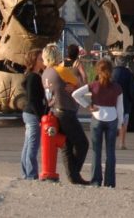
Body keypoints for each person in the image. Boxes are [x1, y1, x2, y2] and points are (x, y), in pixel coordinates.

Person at [41, 43, 89, 185]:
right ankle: (74, 173)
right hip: (66, 111)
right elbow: (81, 84)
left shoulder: (45, 73)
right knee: (82, 144)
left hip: (54, 110)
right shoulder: (61, 70)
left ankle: (74, 176)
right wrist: (75, 86)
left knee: (67, 145)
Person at [72, 58, 123, 187]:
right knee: (110, 152)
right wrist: (119, 125)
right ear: (111, 71)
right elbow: (120, 109)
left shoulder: (93, 85)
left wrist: (88, 105)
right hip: (112, 118)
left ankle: (96, 180)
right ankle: (110, 182)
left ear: (97, 71)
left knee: (96, 151)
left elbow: (75, 94)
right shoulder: (117, 88)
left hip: (97, 117)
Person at [21, 48, 46, 179]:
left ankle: (26, 172)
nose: (43, 61)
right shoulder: (33, 77)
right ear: (34, 61)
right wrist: (40, 116)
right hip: (32, 114)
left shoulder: (33, 76)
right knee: (32, 145)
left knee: (28, 144)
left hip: (29, 113)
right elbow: (33, 99)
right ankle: (31, 174)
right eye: (41, 59)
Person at [110, 56, 134, 150]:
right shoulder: (129, 74)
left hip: (112, 102)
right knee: (123, 124)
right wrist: (132, 99)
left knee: (112, 123)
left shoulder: (111, 73)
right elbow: (132, 90)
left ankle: (111, 143)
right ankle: (122, 143)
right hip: (125, 103)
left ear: (115, 62)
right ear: (126, 63)